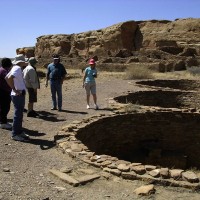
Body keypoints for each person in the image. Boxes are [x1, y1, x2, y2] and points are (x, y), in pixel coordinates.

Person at [5, 54, 29, 142]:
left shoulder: (15, 68)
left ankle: (19, 132)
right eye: (24, 61)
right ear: (21, 62)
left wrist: (13, 89)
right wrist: (14, 89)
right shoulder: (18, 68)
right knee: (18, 115)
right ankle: (15, 134)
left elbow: (6, 77)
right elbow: (9, 78)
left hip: (17, 94)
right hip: (18, 95)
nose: (25, 62)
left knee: (19, 114)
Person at [0, 58, 12, 129]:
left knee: (4, 106)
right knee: (4, 107)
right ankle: (3, 123)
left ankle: (3, 121)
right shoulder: (3, 71)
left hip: (5, 91)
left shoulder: (4, 70)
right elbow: (8, 79)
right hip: (3, 91)